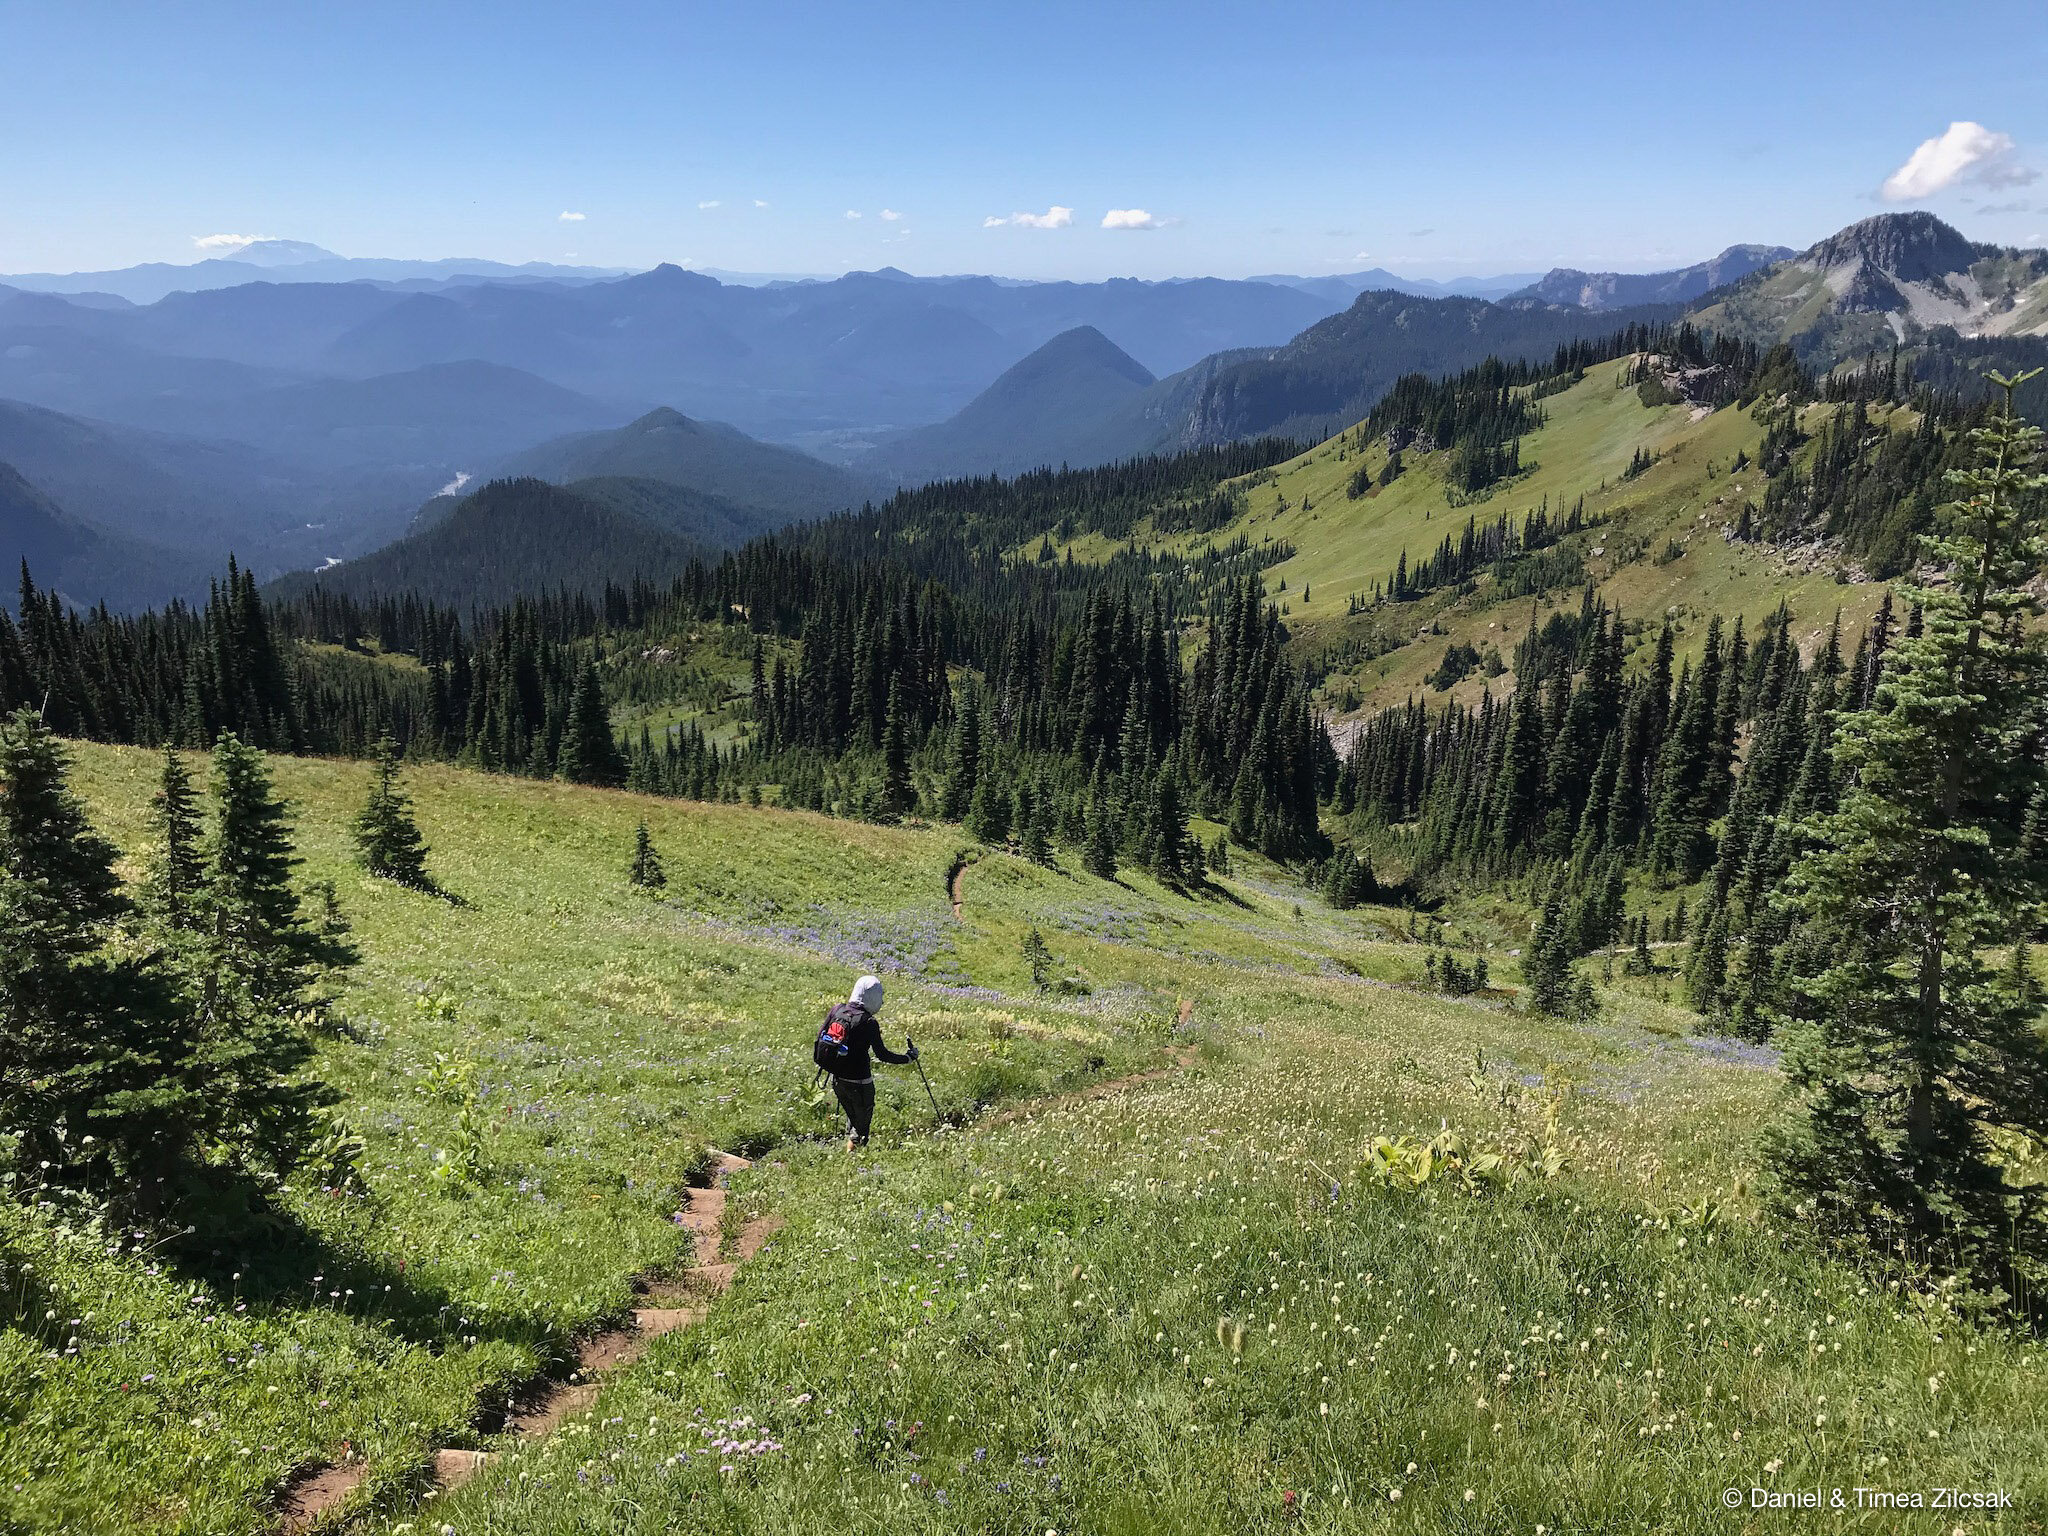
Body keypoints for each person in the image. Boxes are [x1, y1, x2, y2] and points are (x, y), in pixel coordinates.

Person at [814, 975, 918, 1150]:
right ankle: (853, 1159)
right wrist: (907, 1058)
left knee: (853, 1116)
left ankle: (850, 1151)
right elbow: (883, 1055)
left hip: (838, 1080)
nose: (882, 1002)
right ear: (872, 997)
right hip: (860, 1082)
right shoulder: (869, 1022)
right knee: (861, 1127)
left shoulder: (837, 1010)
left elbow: (820, 1037)